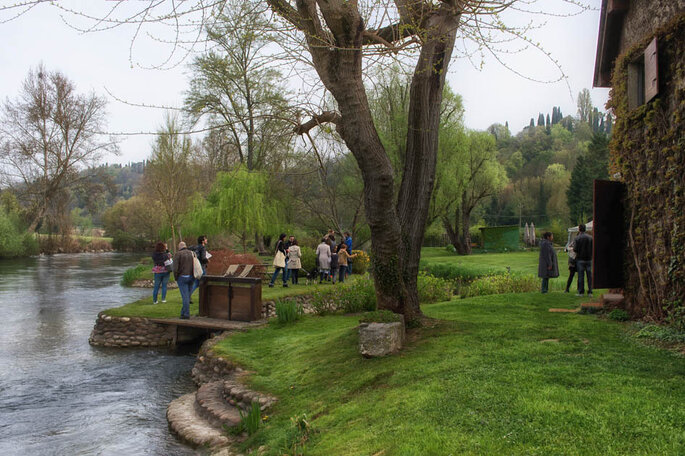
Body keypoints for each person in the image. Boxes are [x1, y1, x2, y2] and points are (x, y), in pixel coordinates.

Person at [172, 241, 195, 319]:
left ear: (179, 247)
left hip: (182, 277)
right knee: (187, 295)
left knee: (185, 296)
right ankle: (183, 312)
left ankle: (186, 314)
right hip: (192, 276)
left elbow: (175, 268)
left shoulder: (178, 254)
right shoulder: (192, 253)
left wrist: (176, 277)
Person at [574, 224, 593, 296]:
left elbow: (575, 249)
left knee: (581, 276)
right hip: (589, 259)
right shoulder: (590, 238)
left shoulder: (577, 238)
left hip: (580, 259)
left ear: (579, 229)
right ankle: (590, 291)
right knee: (589, 276)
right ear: (585, 229)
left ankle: (581, 292)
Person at [190, 235, 209, 300]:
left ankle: (188, 295)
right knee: (203, 282)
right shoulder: (203, 248)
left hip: (195, 266)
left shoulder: (195, 247)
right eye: (205, 239)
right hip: (201, 267)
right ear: (202, 241)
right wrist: (207, 260)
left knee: (196, 282)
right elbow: (203, 258)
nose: (206, 240)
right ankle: (205, 296)